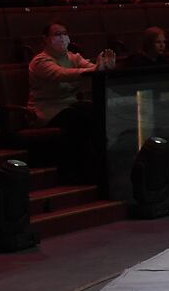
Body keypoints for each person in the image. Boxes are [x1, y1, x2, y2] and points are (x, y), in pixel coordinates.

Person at [26, 21, 116, 183]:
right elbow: (61, 74)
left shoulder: (73, 57)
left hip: (70, 107)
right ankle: (72, 172)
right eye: (57, 34)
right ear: (45, 39)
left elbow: (91, 68)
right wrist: (94, 69)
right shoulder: (40, 61)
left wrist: (105, 68)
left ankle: (97, 167)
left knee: (96, 111)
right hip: (47, 111)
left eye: (64, 33)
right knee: (80, 118)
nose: (62, 38)